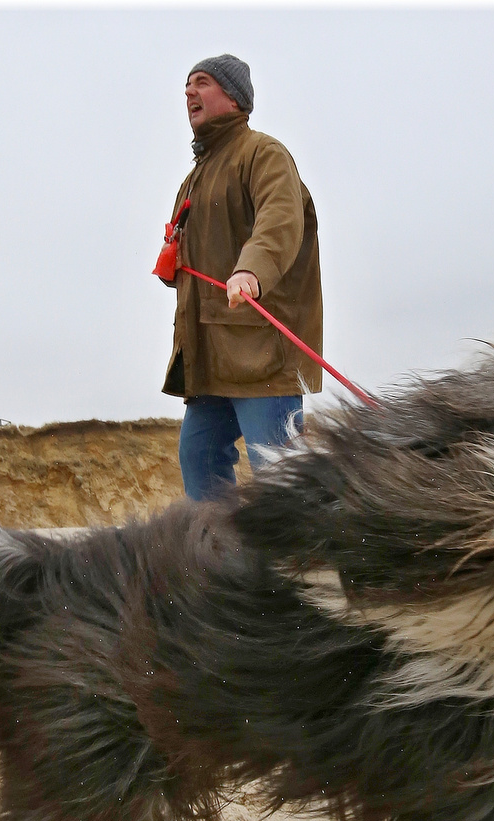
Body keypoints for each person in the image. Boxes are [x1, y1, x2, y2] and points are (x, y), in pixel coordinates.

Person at [159, 54, 323, 500]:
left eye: (202, 83)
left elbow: (280, 219)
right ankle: (219, 564)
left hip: (260, 354)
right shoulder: (194, 178)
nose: (189, 92)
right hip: (208, 357)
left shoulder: (263, 153)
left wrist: (251, 270)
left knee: (280, 476)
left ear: (234, 97)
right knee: (199, 459)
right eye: (187, 86)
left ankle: (301, 565)